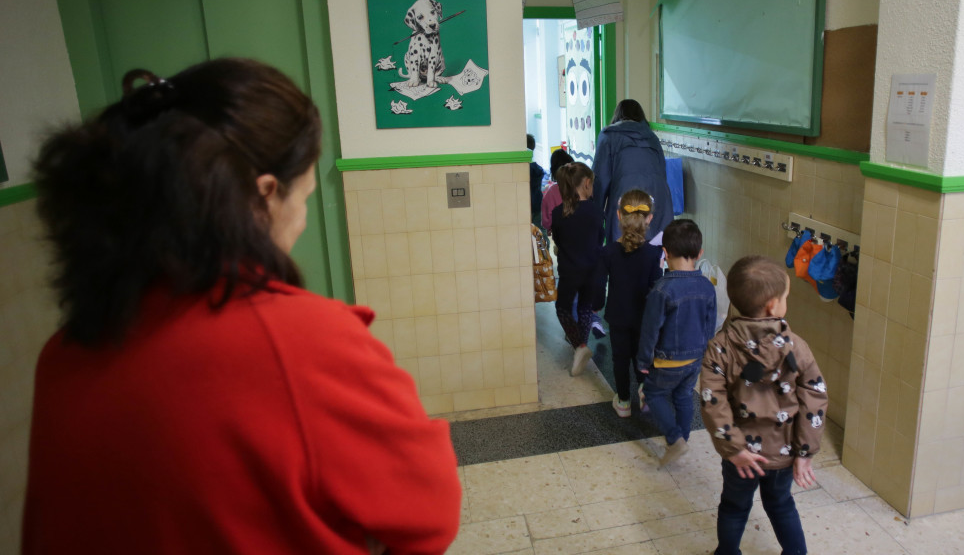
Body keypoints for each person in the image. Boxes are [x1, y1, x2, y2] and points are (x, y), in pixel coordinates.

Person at [22, 58, 461, 555]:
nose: (301, 221)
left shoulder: (64, 353)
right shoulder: (304, 343)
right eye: (306, 198)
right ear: (265, 196)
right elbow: (429, 516)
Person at [700, 256, 828, 555]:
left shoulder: (720, 348)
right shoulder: (796, 345)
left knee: (733, 506)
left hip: (742, 455)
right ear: (773, 306)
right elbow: (815, 396)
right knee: (781, 504)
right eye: (785, 297)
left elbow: (712, 401)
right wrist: (804, 452)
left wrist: (734, 448)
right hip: (783, 453)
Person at [635, 219, 716, 465]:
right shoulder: (707, 287)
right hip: (695, 359)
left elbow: (650, 331)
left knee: (653, 393)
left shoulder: (662, 290)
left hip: (667, 359)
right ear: (700, 253)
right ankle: (683, 438)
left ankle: (674, 439)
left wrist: (643, 360)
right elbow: (710, 327)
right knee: (683, 396)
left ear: (665, 253)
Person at [595, 189, 663, 417]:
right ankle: (644, 391)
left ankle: (623, 401)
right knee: (643, 357)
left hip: (618, 316)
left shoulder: (608, 252)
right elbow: (657, 287)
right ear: (650, 218)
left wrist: (595, 304)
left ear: (618, 215)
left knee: (620, 358)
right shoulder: (654, 254)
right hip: (645, 317)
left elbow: (598, 284)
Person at [549, 162, 604, 377]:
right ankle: (582, 345)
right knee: (584, 308)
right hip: (592, 270)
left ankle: (580, 347)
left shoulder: (557, 213)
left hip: (569, 272)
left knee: (562, 308)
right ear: (587, 183)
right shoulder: (596, 211)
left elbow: (560, 243)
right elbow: (600, 239)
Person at [592, 99, 673, 244]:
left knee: (622, 249)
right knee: (652, 251)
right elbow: (662, 172)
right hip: (656, 198)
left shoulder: (609, 136)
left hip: (624, 196)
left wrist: (595, 214)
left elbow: (600, 180)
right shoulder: (652, 137)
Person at [541, 148, 574, 234]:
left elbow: (546, 221)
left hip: (561, 235)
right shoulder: (579, 187)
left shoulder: (552, 191)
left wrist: (549, 228)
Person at [527, 134, 546, 229]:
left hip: (527, 205)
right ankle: (545, 244)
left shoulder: (524, 170)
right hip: (538, 204)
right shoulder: (538, 169)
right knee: (541, 231)